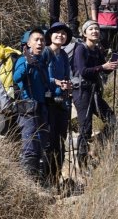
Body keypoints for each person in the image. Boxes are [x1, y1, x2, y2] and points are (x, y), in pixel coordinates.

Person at [71, 20, 118, 167]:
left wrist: (112, 66)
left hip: (94, 91)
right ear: (84, 33)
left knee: (111, 118)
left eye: (96, 29)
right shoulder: (81, 49)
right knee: (85, 128)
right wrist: (103, 66)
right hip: (81, 92)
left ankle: (101, 147)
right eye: (91, 29)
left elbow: (103, 69)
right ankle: (82, 161)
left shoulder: (96, 50)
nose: (94, 31)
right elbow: (83, 71)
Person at [12, 28, 52, 182]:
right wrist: (27, 64)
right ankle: (28, 183)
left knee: (41, 143)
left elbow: (46, 84)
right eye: (36, 40)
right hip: (28, 108)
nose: (40, 43)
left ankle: (38, 181)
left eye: (42, 40)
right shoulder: (23, 60)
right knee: (30, 145)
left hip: (41, 108)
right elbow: (16, 77)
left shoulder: (41, 61)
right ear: (28, 43)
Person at [42, 22, 73, 186]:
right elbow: (42, 75)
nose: (60, 35)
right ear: (50, 35)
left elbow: (67, 75)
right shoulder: (46, 52)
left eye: (63, 33)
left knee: (60, 142)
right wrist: (57, 82)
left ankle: (56, 178)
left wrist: (67, 84)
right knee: (50, 142)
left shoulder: (64, 55)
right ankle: (47, 178)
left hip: (62, 103)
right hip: (48, 102)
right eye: (57, 33)